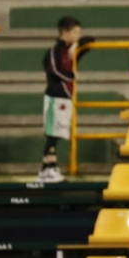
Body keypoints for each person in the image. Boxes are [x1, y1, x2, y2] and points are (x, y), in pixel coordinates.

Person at [39, 16, 86, 183]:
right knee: (53, 134)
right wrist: (71, 75)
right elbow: (52, 70)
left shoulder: (69, 50)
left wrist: (75, 47)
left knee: (58, 133)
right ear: (65, 32)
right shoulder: (55, 50)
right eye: (76, 32)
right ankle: (47, 169)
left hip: (65, 98)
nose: (79, 35)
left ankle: (48, 168)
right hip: (55, 96)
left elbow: (90, 41)